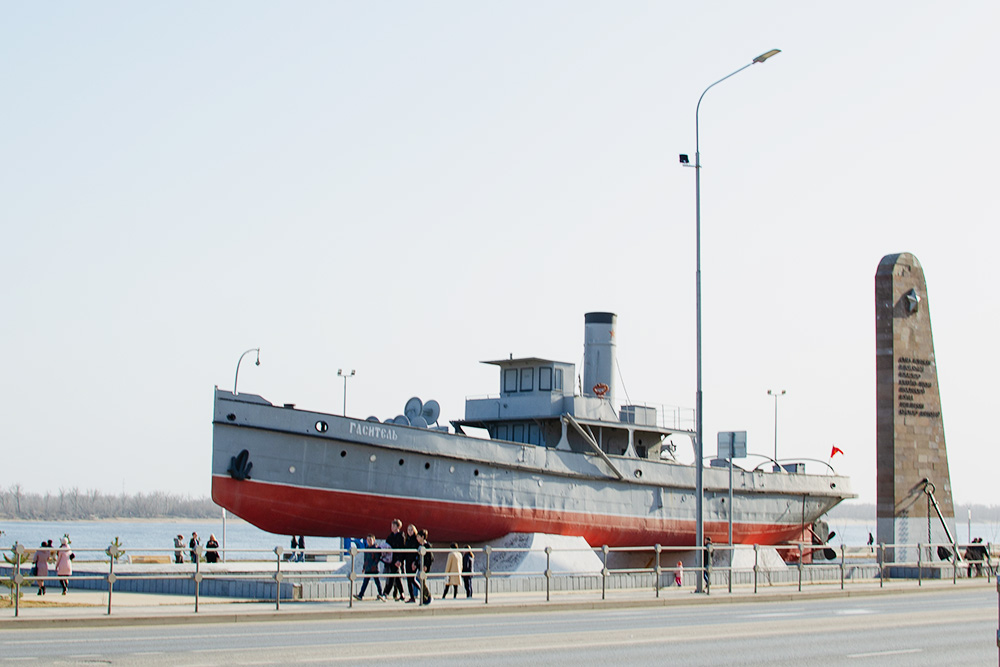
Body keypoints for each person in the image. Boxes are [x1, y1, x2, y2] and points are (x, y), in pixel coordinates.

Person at [354, 534, 386, 601]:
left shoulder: (376, 548)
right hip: (368, 567)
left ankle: (381, 594)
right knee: (365, 582)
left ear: (374, 540)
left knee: (377, 582)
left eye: (370, 540)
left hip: (374, 568)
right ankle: (360, 595)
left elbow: (377, 559)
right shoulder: (367, 548)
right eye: (368, 540)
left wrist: (374, 566)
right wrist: (364, 567)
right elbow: (365, 559)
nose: (369, 541)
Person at [385, 519, 405, 601]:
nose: (392, 527)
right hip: (391, 559)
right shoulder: (390, 536)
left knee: (392, 576)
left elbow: (402, 548)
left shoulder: (401, 536)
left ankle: (385, 593)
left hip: (397, 559)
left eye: (393, 526)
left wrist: (400, 560)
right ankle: (402, 593)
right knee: (396, 577)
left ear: (398, 527)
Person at [415, 529, 434, 605]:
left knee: (422, 581)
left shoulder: (427, 546)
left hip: (424, 568)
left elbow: (431, 558)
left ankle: (428, 596)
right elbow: (418, 557)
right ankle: (424, 597)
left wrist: (426, 565)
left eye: (418, 537)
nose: (417, 538)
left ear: (422, 537)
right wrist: (415, 564)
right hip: (420, 566)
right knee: (419, 580)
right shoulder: (419, 546)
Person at [404, 524, 420, 603]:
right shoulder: (407, 540)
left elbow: (418, 552)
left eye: (411, 530)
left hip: (413, 562)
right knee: (409, 580)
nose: (410, 531)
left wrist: (415, 562)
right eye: (408, 530)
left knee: (412, 579)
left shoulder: (416, 540)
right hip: (407, 561)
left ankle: (423, 591)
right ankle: (412, 597)